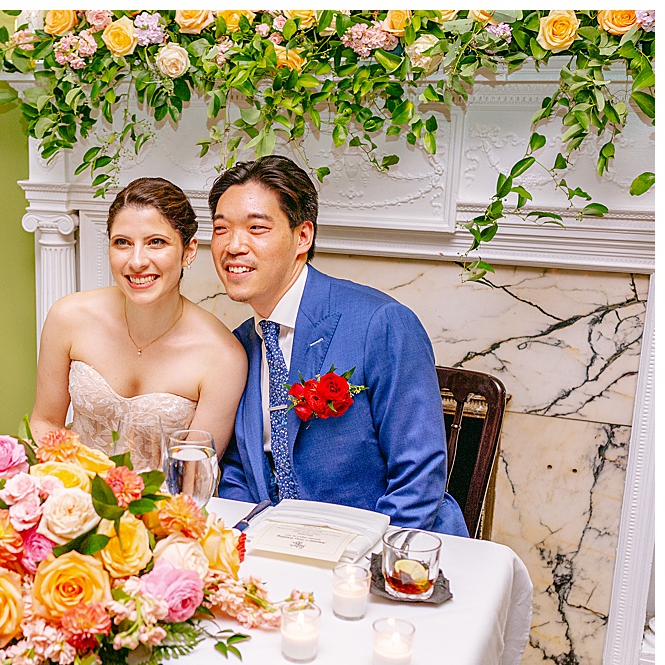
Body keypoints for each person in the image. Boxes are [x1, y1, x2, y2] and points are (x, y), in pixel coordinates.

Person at [208, 155, 468, 536]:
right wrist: (239, 540)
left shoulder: (380, 323)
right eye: (220, 229)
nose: (233, 246)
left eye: (256, 228)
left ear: (303, 236)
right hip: (279, 554)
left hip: (386, 551)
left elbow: (418, 473)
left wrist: (370, 567)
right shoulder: (239, 345)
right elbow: (239, 470)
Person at [32, 177, 247, 460]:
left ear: (189, 251)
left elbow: (193, 475)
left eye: (156, 242)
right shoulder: (68, 317)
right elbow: (45, 422)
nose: (136, 261)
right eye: (122, 243)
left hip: (166, 501)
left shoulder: (223, 356)